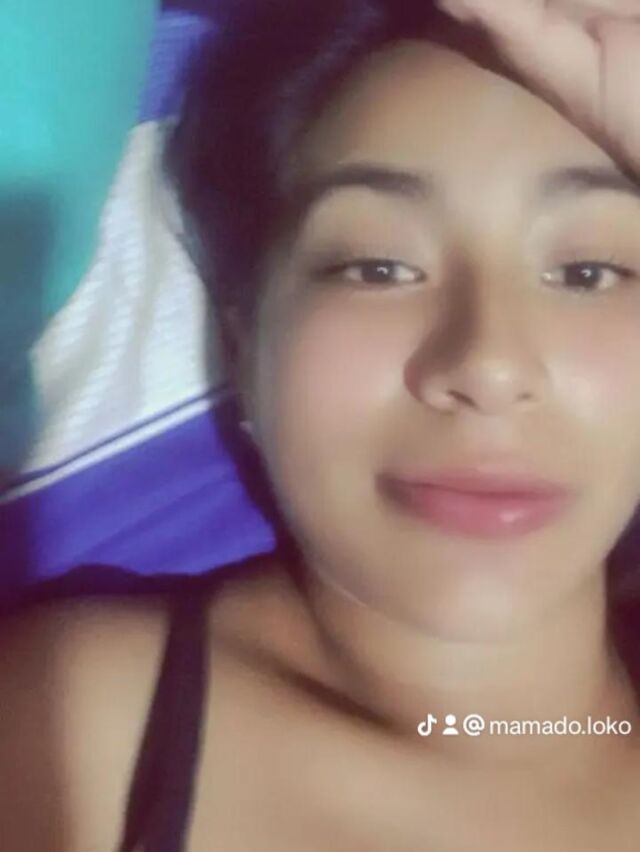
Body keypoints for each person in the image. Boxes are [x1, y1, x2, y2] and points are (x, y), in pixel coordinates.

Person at [3, 0, 640, 848]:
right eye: (378, 267)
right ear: (243, 349)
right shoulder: (72, 731)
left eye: (589, 272)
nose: (487, 366)